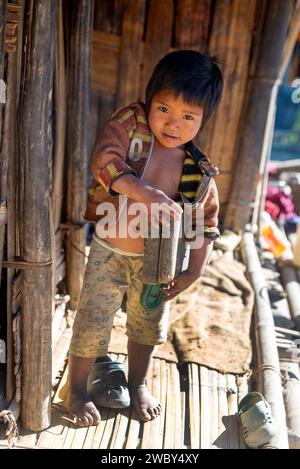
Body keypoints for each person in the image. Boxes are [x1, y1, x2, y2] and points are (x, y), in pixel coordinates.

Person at [66, 50, 223, 427]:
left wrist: (194, 271)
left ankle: (137, 383)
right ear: (149, 98)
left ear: (203, 119)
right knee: (92, 321)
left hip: (157, 263)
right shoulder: (129, 126)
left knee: (148, 323)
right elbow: (103, 159)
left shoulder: (195, 171)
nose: (173, 123)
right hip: (108, 250)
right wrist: (144, 191)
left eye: (188, 116)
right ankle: (76, 388)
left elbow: (206, 223)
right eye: (164, 109)